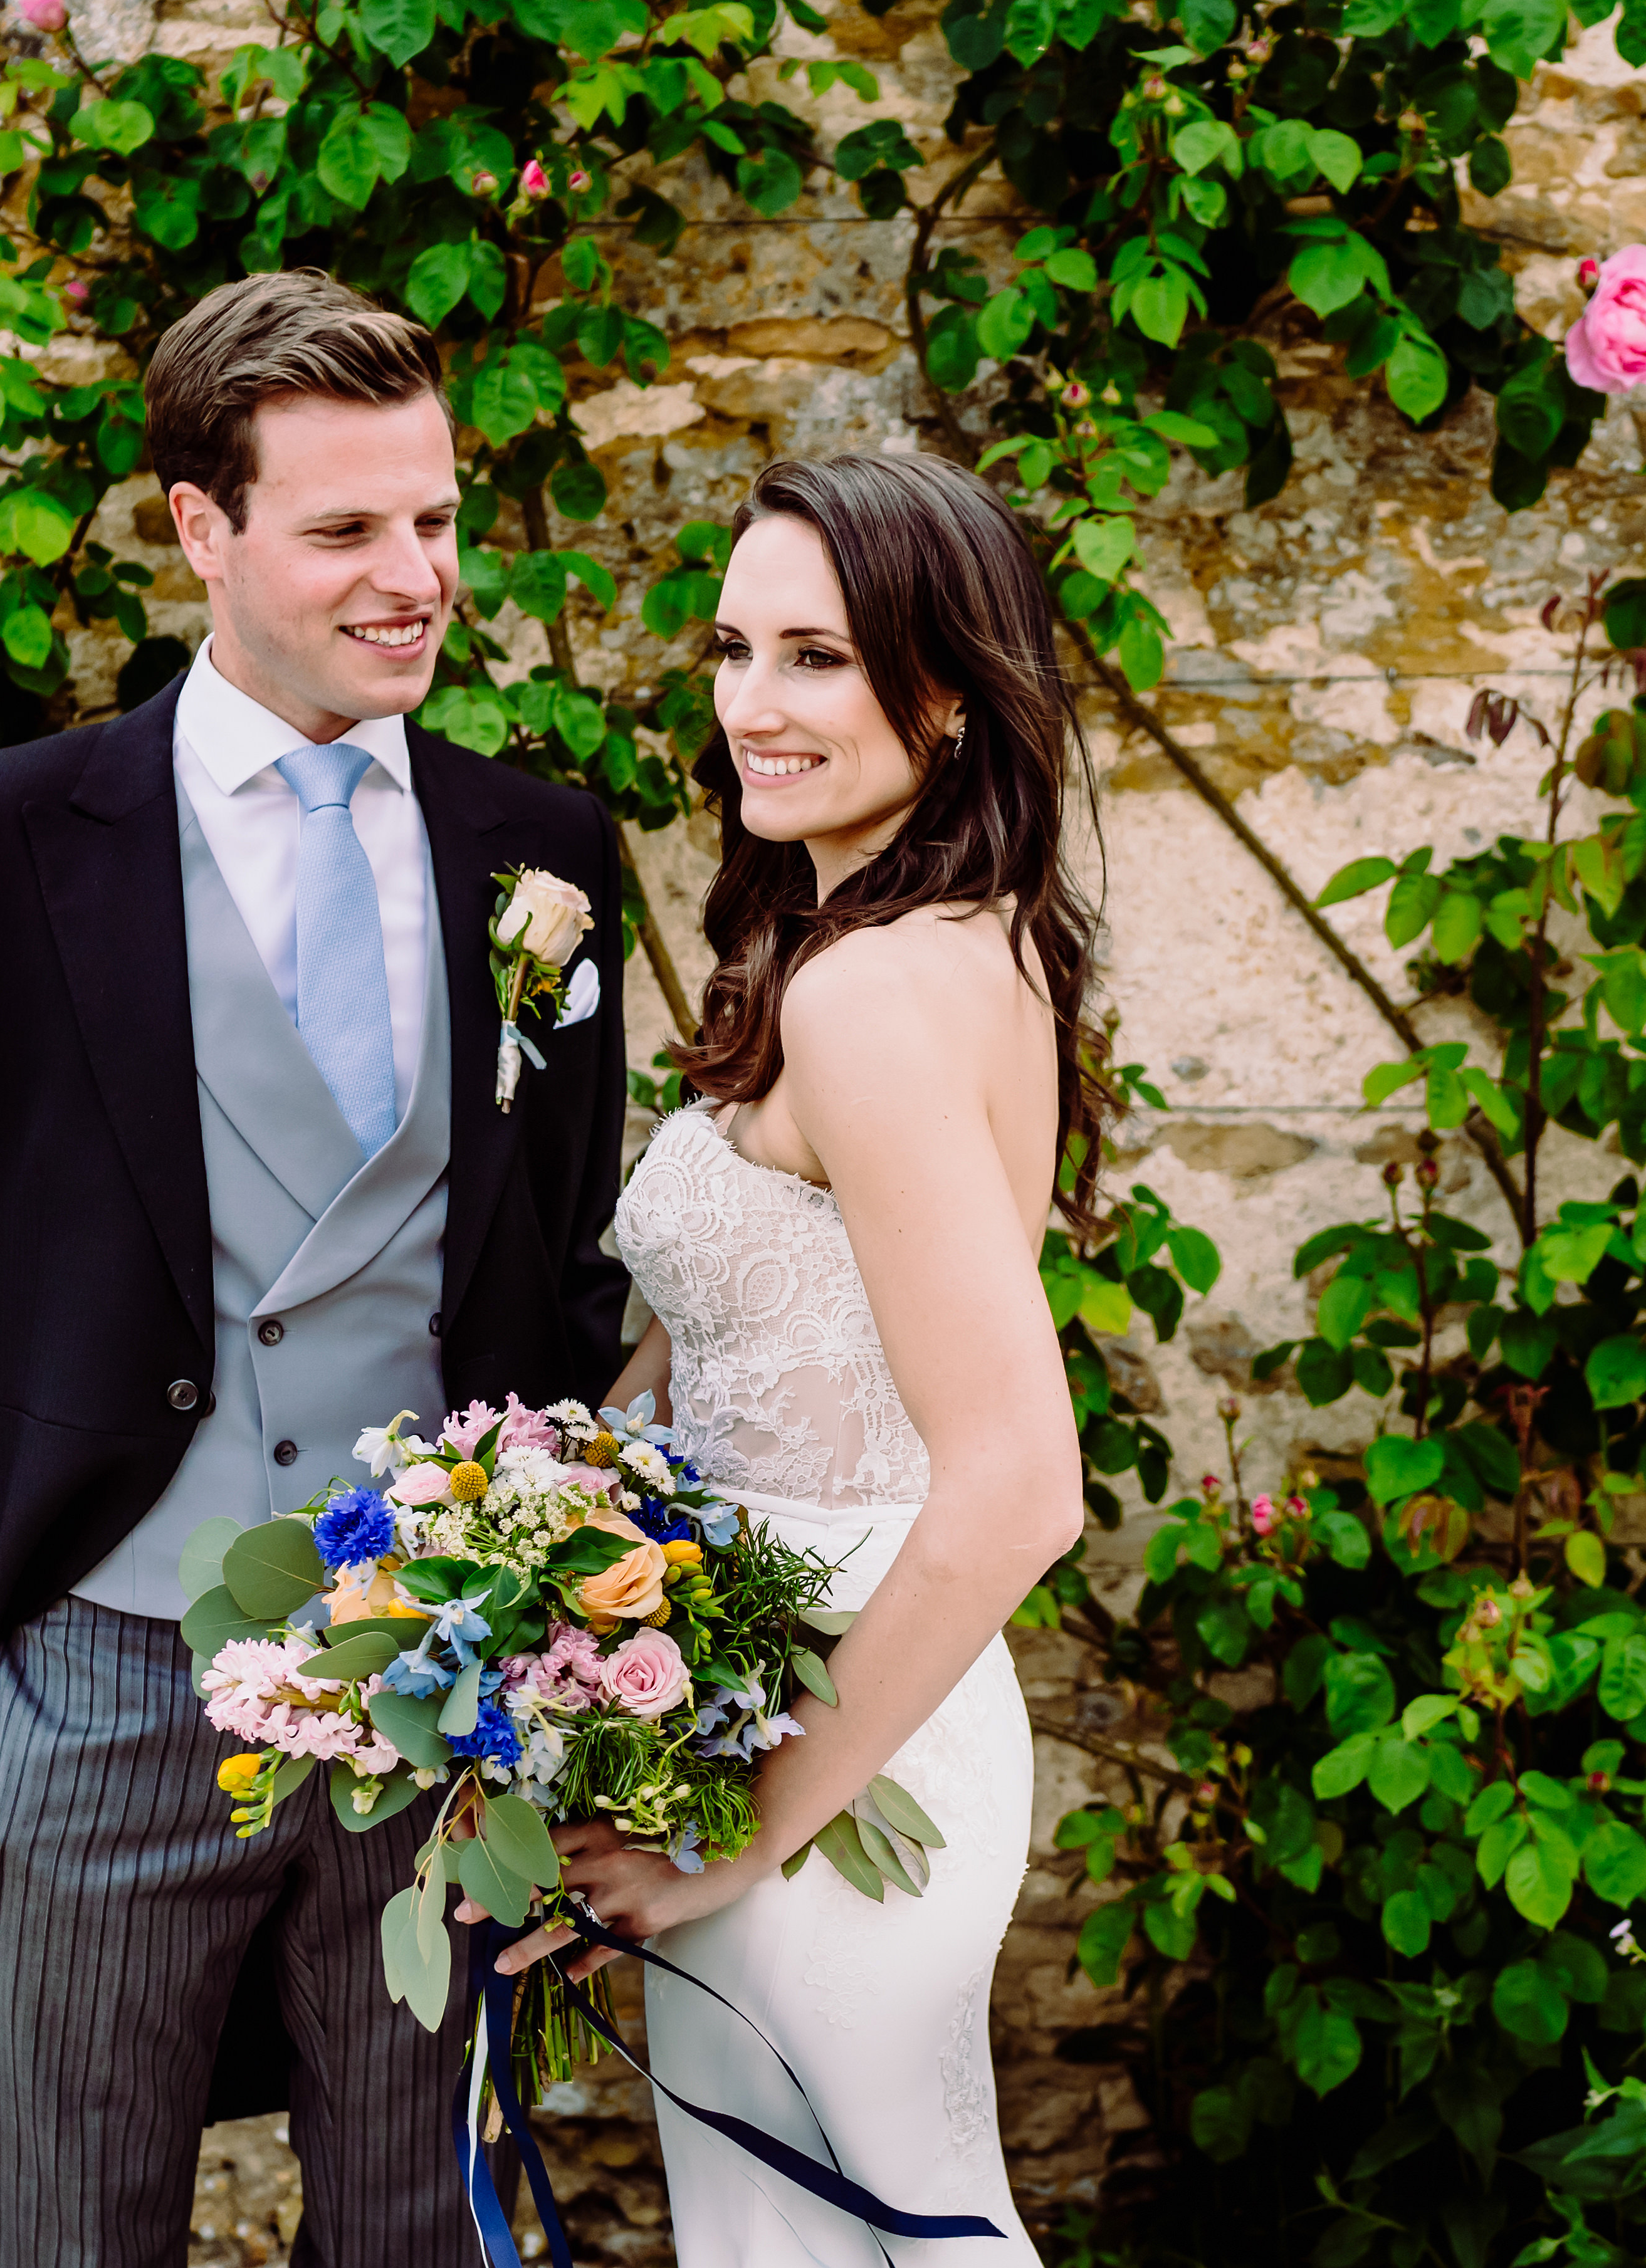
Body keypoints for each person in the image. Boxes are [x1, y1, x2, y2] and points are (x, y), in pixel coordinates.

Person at [0, 268, 632, 2263]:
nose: (411, 574)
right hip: (89, 1682)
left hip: (443, 1707)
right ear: (200, 530)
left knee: (427, 2239)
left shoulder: (546, 853)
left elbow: (560, 1280)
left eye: (432, 517)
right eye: (344, 529)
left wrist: (549, 1644)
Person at [493, 451, 1093, 2264]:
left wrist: (743, 1828)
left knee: (895, 2227)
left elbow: (1016, 1485)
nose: (753, 704)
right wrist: (504, 1544)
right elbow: (748, 1335)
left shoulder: (869, 990)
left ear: (944, 690)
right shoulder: (925, 946)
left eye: (817, 657)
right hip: (757, 1682)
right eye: (735, 647)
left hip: (841, 1723)